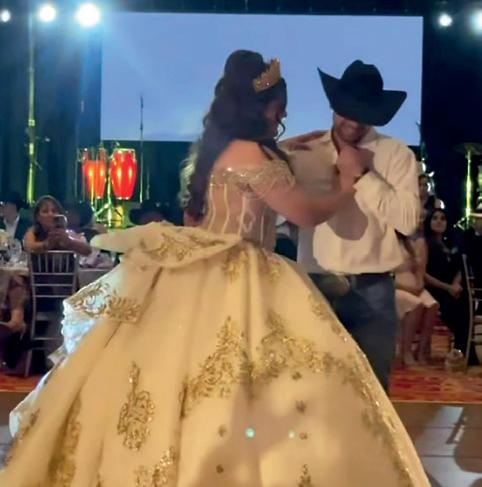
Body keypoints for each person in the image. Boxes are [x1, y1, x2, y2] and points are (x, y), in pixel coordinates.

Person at [0, 51, 429, 487]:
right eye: (279, 106)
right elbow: (305, 213)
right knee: (257, 381)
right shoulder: (260, 157)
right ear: (261, 107)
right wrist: (348, 182)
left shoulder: (221, 149)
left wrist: (288, 150)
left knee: (192, 377)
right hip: (246, 273)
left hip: (211, 270)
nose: (284, 115)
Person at [289, 60, 420, 390]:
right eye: (346, 111)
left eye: (363, 114)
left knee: (373, 391)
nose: (353, 121)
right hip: (315, 284)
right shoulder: (306, 151)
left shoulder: (395, 154)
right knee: (311, 390)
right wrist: (280, 152)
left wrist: (363, 175)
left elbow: (407, 222)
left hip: (372, 288)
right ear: (334, 106)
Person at [424, 208, 469, 354]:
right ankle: (462, 349)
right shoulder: (425, 244)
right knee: (455, 309)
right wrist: (448, 288)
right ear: (429, 222)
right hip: (435, 289)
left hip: (451, 290)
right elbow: (424, 275)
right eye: (435, 218)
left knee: (465, 300)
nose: (439, 221)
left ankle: (464, 349)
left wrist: (455, 283)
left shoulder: (450, 244)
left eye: (442, 218)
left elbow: (460, 267)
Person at [395, 232, 439, 366]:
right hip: (397, 286)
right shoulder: (388, 242)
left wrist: (419, 284)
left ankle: (421, 351)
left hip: (414, 284)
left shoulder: (408, 243)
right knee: (416, 304)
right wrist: (408, 289)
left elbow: (419, 269)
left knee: (432, 304)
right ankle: (406, 351)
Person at [23, 195, 92, 256]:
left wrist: (69, 242)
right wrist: (46, 244)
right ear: (38, 217)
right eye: (45, 211)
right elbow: (28, 246)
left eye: (54, 211)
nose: (50, 214)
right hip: (39, 266)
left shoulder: (65, 231)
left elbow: (87, 250)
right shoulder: (34, 231)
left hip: (65, 266)